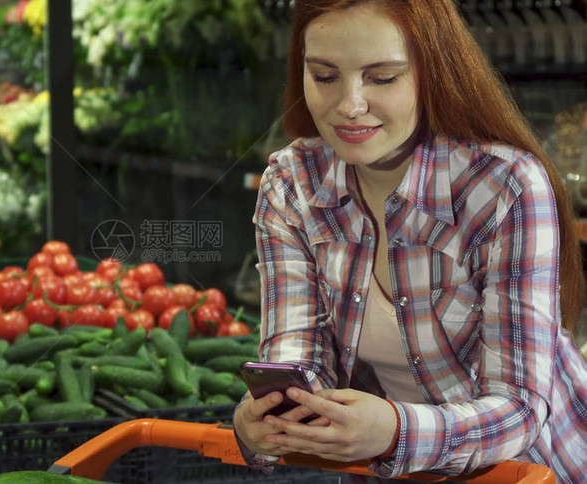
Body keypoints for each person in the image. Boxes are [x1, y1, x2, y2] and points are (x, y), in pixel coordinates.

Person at [233, 1, 587, 483]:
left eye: (382, 78)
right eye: (325, 76)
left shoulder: (503, 186)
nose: (349, 105)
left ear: (433, 73)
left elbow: (520, 410)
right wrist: (271, 419)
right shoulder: (292, 184)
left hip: (533, 470)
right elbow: (295, 356)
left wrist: (396, 430)